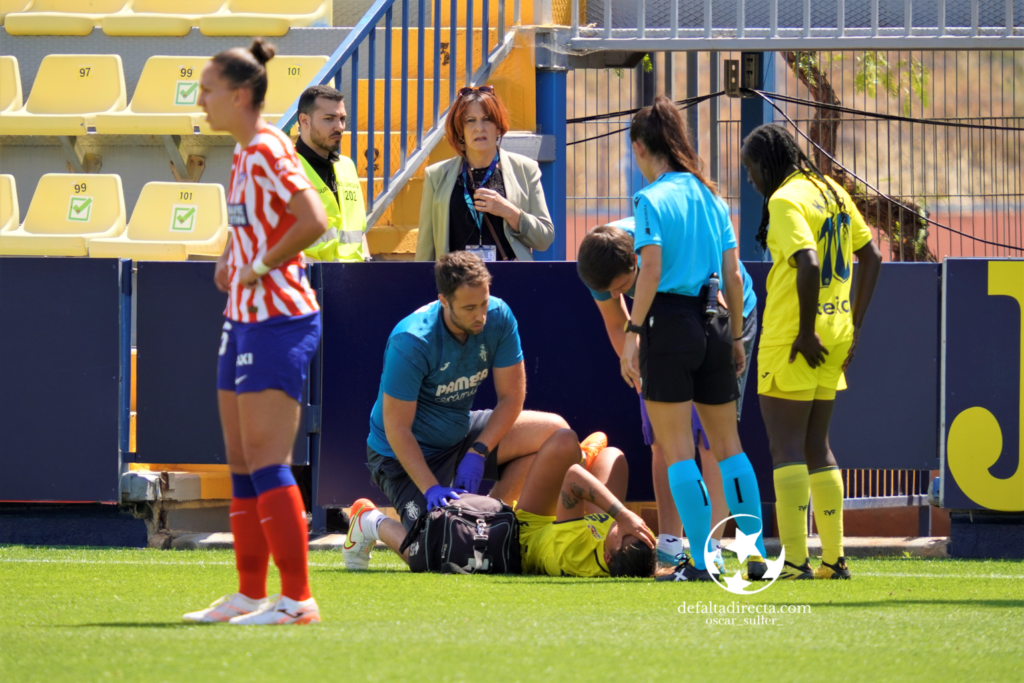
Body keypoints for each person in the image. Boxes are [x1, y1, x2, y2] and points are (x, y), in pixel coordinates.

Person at [182, 39, 329, 626]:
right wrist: (228, 257)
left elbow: (314, 220)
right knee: (242, 463)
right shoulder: (244, 154)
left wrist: (261, 264)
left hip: (279, 319)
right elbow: (251, 224)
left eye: (208, 92)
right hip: (241, 319)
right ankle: (249, 593)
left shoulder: (268, 148)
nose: (201, 103)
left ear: (240, 95)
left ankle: (297, 601)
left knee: (269, 462)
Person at [614, 96, 768, 583]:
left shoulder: (649, 200)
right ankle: (755, 550)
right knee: (730, 447)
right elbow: (734, 275)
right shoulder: (711, 196)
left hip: (670, 322)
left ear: (640, 147)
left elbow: (652, 267)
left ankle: (702, 562)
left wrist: (634, 331)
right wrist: (739, 340)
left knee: (678, 450)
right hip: (719, 320)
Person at [346, 251, 572, 569]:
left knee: (555, 433)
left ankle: (490, 528)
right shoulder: (412, 341)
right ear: (444, 301)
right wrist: (431, 488)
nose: (481, 315)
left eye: (483, 303)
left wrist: (478, 451)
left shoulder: (499, 316)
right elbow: (397, 429)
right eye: (469, 308)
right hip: (401, 454)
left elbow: (512, 397)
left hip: (460, 433)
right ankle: (369, 521)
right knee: (433, 556)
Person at [577, 217, 761, 573]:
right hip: (662, 322)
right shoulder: (600, 265)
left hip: (723, 311)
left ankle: (714, 549)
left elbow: (724, 293)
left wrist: (732, 338)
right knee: (663, 440)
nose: (618, 296)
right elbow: (618, 323)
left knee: (712, 440)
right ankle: (671, 547)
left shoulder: (671, 246)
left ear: (638, 261)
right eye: (610, 292)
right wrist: (641, 372)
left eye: (623, 287)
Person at [740, 124, 882, 580]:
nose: (750, 180)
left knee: (785, 447)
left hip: (795, 337)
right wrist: (852, 327)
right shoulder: (833, 191)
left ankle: (798, 562)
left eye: (749, 169)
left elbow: (809, 263)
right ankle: (834, 559)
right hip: (836, 332)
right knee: (817, 445)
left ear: (766, 163)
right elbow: (873, 257)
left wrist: (803, 332)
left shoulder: (786, 199)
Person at [343, 429, 657, 578]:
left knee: (425, 554)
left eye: (622, 533)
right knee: (613, 456)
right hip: (570, 522)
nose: (626, 527)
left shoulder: (576, 555)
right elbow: (656, 566)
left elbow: (571, 477)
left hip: (524, 536)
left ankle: (369, 521)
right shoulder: (626, 560)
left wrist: (622, 513)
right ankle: (583, 471)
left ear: (606, 552)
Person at [415, 85, 554, 262]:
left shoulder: (526, 169)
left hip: (510, 280)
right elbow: (425, 248)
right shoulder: (436, 175)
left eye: (486, 119)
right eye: (470, 121)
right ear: (460, 132)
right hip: (457, 282)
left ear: (498, 127)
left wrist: (509, 211)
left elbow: (545, 238)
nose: (479, 128)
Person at [294, 85, 371, 262]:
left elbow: (359, 230)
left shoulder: (347, 166)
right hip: (306, 279)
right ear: (304, 121)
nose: (339, 127)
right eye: (329, 119)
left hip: (353, 279)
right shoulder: (281, 168)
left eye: (342, 119)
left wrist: (368, 262)